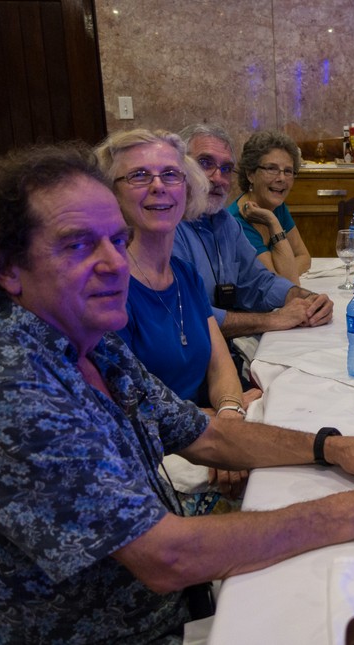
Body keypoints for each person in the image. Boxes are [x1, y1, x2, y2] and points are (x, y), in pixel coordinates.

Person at [0, 143, 354, 642]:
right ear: (7, 267)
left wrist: (330, 446)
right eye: (77, 244)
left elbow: (201, 434)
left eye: (117, 240)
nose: (114, 263)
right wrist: (352, 512)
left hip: (161, 611)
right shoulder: (3, 386)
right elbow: (166, 558)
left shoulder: (87, 338)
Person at [95, 128, 255, 513]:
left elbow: (219, 364)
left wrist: (231, 412)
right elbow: (125, 408)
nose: (158, 187)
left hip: (206, 435)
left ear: (188, 189)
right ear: (110, 194)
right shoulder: (108, 286)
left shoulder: (183, 273)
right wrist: (218, 428)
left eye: (170, 175)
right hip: (149, 467)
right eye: (138, 176)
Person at [172, 123, 332, 343]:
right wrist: (274, 320)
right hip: (195, 361)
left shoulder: (225, 223)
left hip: (227, 349)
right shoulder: (168, 229)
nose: (218, 178)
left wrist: (302, 297)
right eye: (205, 163)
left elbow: (259, 282)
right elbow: (190, 316)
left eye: (226, 168)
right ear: (179, 167)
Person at [228, 130, 312, 284]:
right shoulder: (237, 223)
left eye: (288, 171)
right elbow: (283, 282)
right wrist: (272, 222)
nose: (281, 178)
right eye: (272, 169)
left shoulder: (275, 205)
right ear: (250, 174)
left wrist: (287, 270)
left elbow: (304, 257)